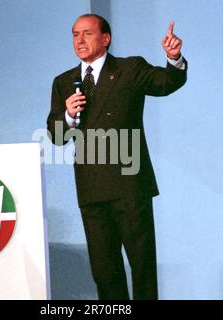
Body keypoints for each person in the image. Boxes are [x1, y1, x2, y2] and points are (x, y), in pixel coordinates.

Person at [47, 13, 187, 300]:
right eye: (75, 34)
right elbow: (56, 134)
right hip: (91, 188)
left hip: (130, 184)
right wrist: (68, 115)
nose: (80, 40)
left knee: (142, 266)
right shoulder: (64, 82)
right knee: (105, 270)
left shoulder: (129, 68)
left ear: (106, 38)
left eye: (87, 33)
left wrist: (174, 59)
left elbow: (165, 84)